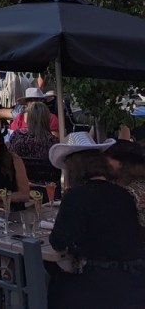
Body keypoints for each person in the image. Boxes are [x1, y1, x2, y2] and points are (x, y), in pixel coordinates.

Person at [49, 132, 145, 308]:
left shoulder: (76, 196)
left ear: (74, 168)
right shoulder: (123, 194)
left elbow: (58, 241)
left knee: (54, 285)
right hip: (135, 281)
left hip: (100, 283)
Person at [105, 139, 145, 227]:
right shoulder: (115, 183)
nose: (105, 161)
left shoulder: (133, 191)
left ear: (123, 162)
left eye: (109, 156)